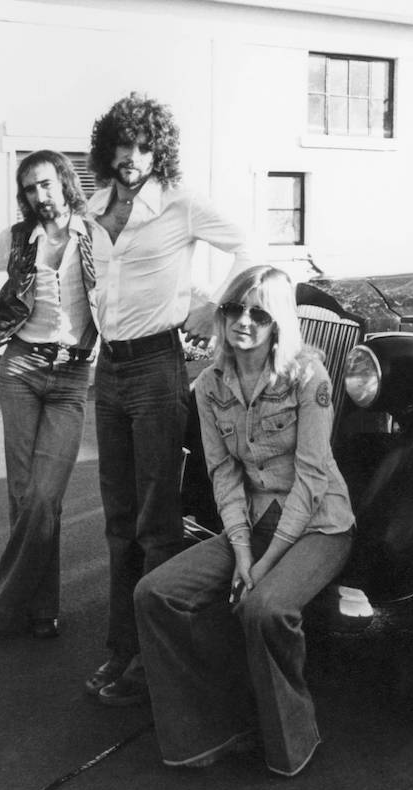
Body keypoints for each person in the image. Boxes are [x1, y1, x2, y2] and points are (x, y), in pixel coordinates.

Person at [132, 266, 354, 774]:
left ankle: (293, 739)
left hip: (320, 525)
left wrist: (260, 566)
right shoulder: (210, 386)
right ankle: (211, 728)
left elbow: (312, 478)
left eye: (259, 312)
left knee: (264, 610)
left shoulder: (307, 377)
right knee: (156, 593)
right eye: (235, 309)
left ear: (278, 322)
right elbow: (224, 477)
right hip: (253, 526)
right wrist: (242, 552)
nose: (244, 321)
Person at [84, 92, 257, 706]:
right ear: (109, 149)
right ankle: (121, 645)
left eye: (142, 147)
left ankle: (154, 660)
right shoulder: (94, 206)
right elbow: (91, 287)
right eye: (122, 146)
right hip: (109, 370)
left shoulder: (180, 206)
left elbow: (248, 246)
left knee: (158, 521)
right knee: (117, 518)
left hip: (158, 367)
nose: (131, 158)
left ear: (158, 152)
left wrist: (210, 311)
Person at [0, 150, 109, 643]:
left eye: (46, 184)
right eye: (30, 189)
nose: (40, 196)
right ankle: (42, 608)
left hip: (73, 376)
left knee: (44, 494)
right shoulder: (18, 241)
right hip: (20, 369)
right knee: (24, 495)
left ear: (64, 182)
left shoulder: (96, 235)